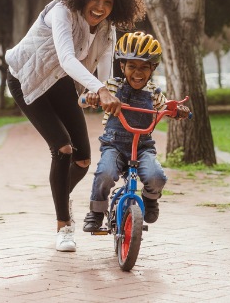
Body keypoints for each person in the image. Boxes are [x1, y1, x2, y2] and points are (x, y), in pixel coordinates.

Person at [5, 0, 146, 252]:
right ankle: (63, 226)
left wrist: (106, 90)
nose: (99, 7)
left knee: (82, 160)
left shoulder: (107, 29)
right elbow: (67, 58)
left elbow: (106, 68)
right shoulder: (61, 11)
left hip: (58, 83)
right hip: (26, 79)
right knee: (63, 149)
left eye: (108, 2)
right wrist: (99, 89)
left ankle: (60, 196)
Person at [77, 32, 190, 233]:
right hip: (115, 145)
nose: (138, 73)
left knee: (157, 177)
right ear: (122, 67)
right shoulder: (111, 86)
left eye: (144, 67)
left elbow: (167, 107)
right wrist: (91, 98)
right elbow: (82, 100)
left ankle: (150, 199)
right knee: (105, 173)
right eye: (132, 66)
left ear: (153, 68)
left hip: (143, 146)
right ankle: (96, 211)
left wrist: (178, 111)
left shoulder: (154, 92)